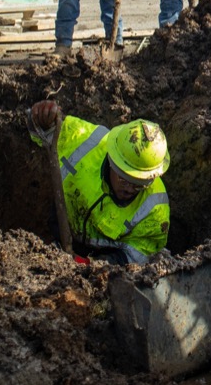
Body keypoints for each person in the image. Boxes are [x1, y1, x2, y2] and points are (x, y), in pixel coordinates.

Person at [27, 100, 170, 264]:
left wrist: (96, 265)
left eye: (140, 184)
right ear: (112, 161)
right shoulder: (83, 139)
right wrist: (41, 116)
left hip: (102, 255)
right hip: (62, 225)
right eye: (124, 179)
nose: (130, 188)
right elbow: (43, 132)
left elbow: (138, 256)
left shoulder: (156, 210)